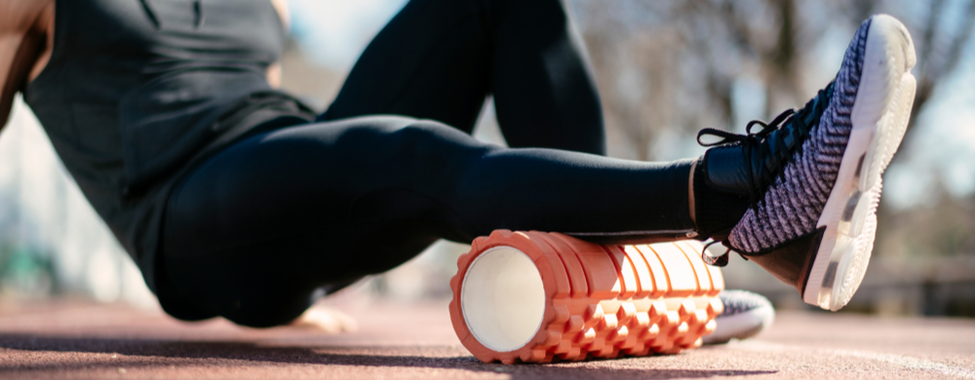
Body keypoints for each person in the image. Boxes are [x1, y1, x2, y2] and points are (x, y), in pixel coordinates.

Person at [0, 0, 915, 328]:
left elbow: (275, 114)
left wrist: (303, 260)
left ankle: (616, 277)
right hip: (189, 210)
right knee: (409, 152)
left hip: (279, 166)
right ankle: (743, 195)